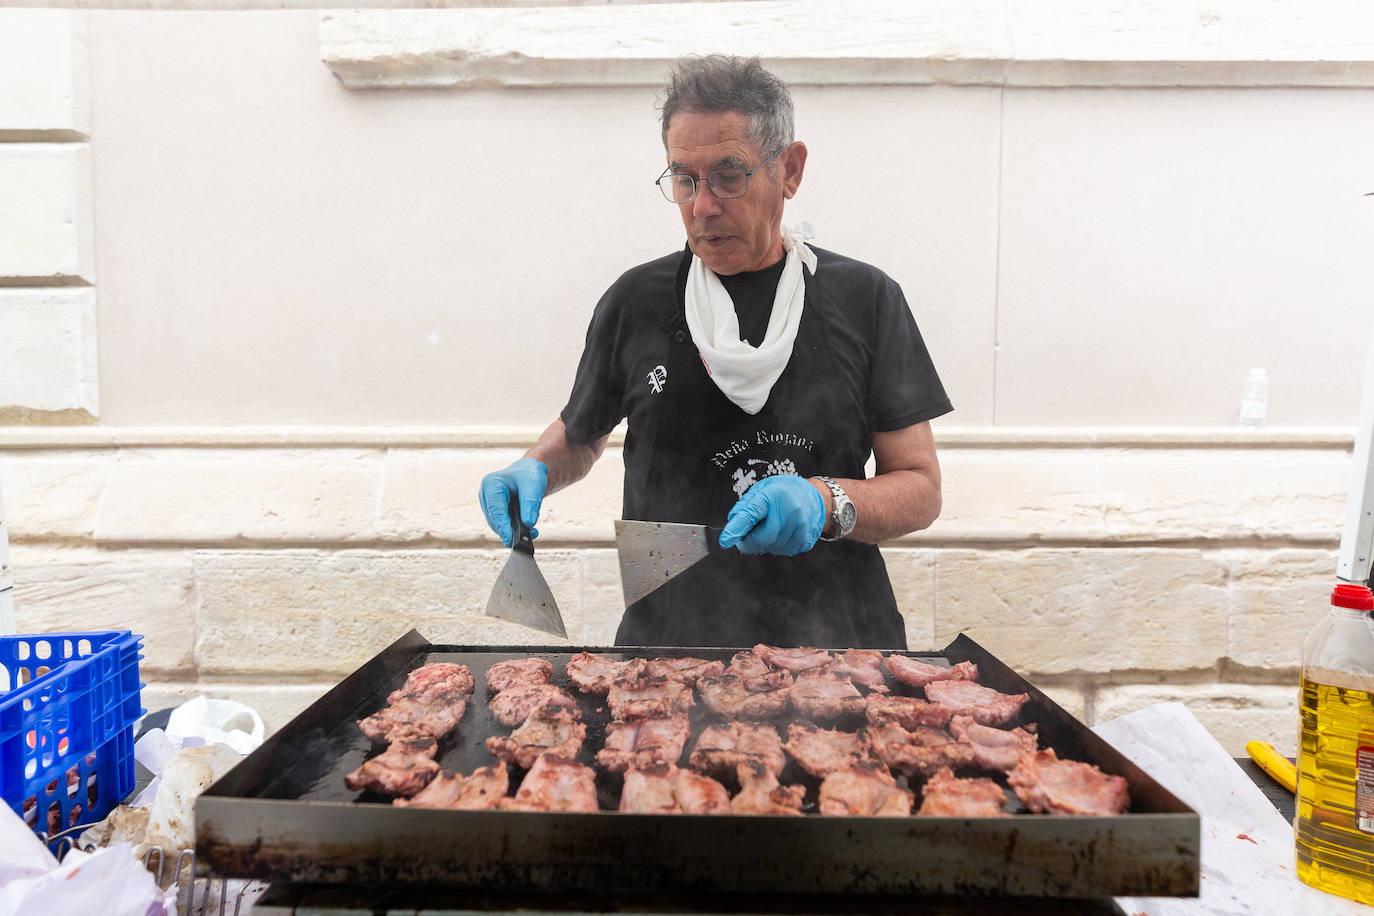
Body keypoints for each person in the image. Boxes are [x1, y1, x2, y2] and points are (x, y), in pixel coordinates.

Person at [479, 54, 951, 649]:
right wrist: (535, 469)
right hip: (668, 649)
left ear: (790, 169)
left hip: (838, 649)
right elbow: (581, 433)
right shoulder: (635, 300)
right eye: (684, 179)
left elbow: (921, 487)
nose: (702, 206)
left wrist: (827, 501)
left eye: (729, 175)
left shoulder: (867, 299)